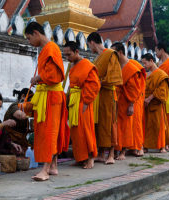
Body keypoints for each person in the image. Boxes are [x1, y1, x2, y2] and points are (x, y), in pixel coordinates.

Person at [25, 22, 70, 181]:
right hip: (47, 95)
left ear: (36, 33)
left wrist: (39, 77)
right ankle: (53, 165)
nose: (29, 42)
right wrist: (39, 79)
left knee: (48, 132)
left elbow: (55, 76)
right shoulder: (46, 49)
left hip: (52, 97)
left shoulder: (51, 48)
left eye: (29, 38)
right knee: (50, 131)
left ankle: (44, 169)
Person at [63, 41, 100, 169]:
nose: (67, 58)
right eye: (65, 55)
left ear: (77, 52)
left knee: (86, 130)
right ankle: (80, 158)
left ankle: (91, 158)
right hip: (73, 101)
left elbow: (94, 85)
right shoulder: (72, 65)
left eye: (69, 54)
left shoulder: (87, 65)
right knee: (75, 132)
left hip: (83, 101)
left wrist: (86, 101)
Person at [87, 32, 123, 164]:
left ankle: (111, 155)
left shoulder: (110, 54)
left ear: (92, 42)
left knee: (110, 122)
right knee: (100, 124)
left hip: (108, 93)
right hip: (99, 94)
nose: (89, 48)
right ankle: (102, 154)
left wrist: (99, 82)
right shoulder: (98, 58)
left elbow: (114, 76)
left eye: (89, 45)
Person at [111, 42, 146, 159]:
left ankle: (123, 151)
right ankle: (117, 149)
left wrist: (131, 104)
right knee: (118, 126)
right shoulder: (117, 65)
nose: (112, 56)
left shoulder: (131, 68)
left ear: (120, 52)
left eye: (114, 53)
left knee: (126, 127)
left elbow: (134, 89)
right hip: (117, 100)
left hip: (128, 101)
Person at [141, 54, 169, 153]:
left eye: (145, 63)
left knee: (159, 124)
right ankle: (145, 146)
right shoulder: (147, 74)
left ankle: (162, 146)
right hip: (145, 103)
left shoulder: (161, 74)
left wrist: (150, 98)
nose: (144, 65)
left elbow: (162, 90)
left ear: (151, 61)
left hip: (156, 103)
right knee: (146, 125)